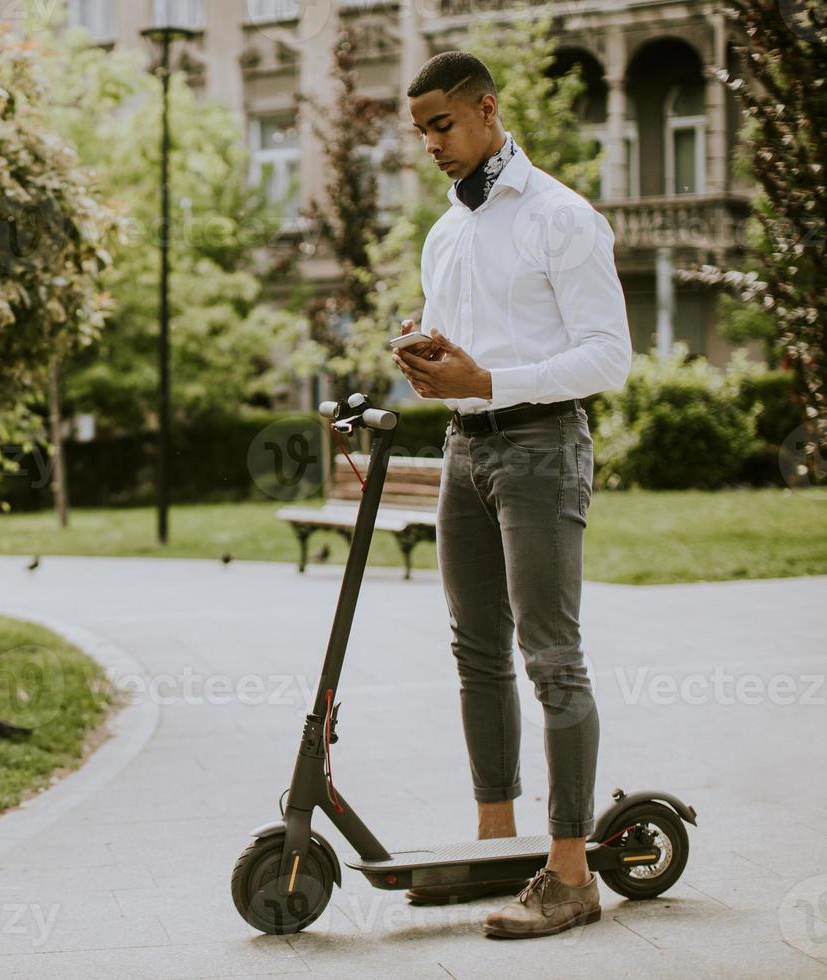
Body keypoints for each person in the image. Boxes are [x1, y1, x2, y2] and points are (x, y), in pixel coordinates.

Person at [390, 50, 633, 939]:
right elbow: (463, 350)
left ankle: (569, 876)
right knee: (476, 652)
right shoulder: (446, 231)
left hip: (540, 447)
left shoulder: (562, 217)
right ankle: (497, 847)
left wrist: (486, 377)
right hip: (467, 449)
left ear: (487, 110)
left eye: (441, 126)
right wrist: (426, 356)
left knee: (551, 655)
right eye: (420, 131)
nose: (430, 145)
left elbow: (608, 354)